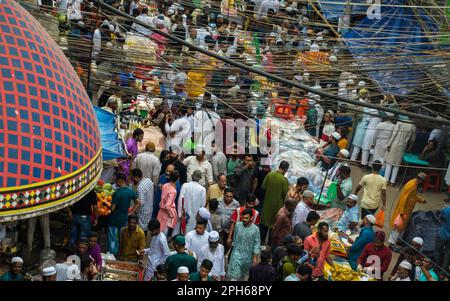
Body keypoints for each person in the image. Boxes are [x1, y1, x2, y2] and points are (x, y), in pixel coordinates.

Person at [388, 173, 427, 247]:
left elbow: (413, 196)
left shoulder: (414, 184)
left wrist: (421, 200)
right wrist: (401, 211)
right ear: (421, 180)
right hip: (404, 210)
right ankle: (391, 244)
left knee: (401, 226)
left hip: (406, 210)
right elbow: (404, 198)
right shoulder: (412, 185)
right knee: (398, 226)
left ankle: (397, 240)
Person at [107, 173, 140, 256]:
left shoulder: (117, 193)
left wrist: (106, 204)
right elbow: (138, 202)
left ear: (120, 181)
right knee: (121, 238)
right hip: (124, 219)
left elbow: (112, 209)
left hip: (114, 220)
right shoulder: (130, 191)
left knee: (113, 239)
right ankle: (120, 254)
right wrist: (131, 212)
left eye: (116, 181)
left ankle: (112, 255)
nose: (116, 183)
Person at [227, 208, 261, 281]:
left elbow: (257, 243)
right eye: (243, 218)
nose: (244, 220)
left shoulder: (256, 229)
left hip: (248, 256)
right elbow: (235, 239)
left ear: (251, 218)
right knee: (234, 277)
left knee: (243, 276)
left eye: (246, 218)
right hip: (237, 254)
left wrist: (255, 258)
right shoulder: (238, 225)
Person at [261, 161, 289, 242]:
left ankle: (261, 242)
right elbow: (285, 194)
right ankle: (269, 244)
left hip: (267, 205)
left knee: (264, 224)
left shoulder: (270, 174)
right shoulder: (284, 180)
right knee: (274, 226)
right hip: (277, 207)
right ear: (286, 169)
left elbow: (263, 186)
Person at [384, 116, 416, 186]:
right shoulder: (413, 126)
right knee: (397, 164)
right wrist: (410, 147)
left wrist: (389, 144)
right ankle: (392, 182)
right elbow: (413, 139)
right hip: (403, 146)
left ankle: (386, 181)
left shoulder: (400, 122)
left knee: (389, 163)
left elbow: (394, 134)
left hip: (394, 144)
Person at [178, 170, 207, 234]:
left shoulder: (185, 185)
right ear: (200, 179)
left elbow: (180, 200)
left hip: (185, 216)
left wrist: (180, 214)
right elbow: (202, 205)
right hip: (196, 217)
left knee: (183, 233)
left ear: (191, 176)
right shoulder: (202, 189)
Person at [217, 188, 240, 252]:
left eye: (231, 197)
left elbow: (236, 218)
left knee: (226, 248)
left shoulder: (236, 204)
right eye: (227, 196)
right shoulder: (218, 201)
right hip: (219, 229)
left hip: (229, 231)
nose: (229, 198)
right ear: (224, 195)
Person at [435, 205, 450, 276]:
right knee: (448, 253)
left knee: (437, 250)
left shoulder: (446, 210)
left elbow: (440, 218)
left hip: (443, 234)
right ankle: (443, 272)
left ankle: (438, 265)